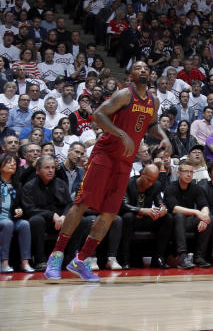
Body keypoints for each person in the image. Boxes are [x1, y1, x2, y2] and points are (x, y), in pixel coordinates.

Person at [44, 60, 166, 281]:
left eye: (146, 68)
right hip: (105, 154)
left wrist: (164, 137)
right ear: (130, 74)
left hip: (125, 161)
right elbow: (98, 115)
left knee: (110, 212)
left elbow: (152, 125)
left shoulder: (153, 101)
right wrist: (121, 134)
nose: (143, 71)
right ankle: (56, 255)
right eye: (138, 67)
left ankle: (80, 260)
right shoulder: (124, 95)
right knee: (83, 203)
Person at [118, 162, 170, 269]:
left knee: (168, 218)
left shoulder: (156, 185)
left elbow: (159, 201)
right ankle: (125, 260)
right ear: (142, 175)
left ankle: (158, 258)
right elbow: (123, 206)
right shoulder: (128, 183)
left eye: (154, 181)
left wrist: (162, 209)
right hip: (131, 219)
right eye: (149, 180)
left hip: (145, 220)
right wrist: (142, 210)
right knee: (128, 216)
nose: (151, 183)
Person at [0, 153, 33, 272]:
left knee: (24, 224)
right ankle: (4, 262)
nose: (13, 164)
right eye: (9, 162)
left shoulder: (17, 185)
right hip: (3, 220)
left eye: (14, 162)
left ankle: (25, 263)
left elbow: (19, 205)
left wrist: (19, 210)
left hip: (10, 219)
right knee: (7, 224)